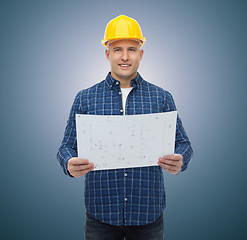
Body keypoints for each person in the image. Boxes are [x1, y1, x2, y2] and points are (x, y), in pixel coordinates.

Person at [57, 15, 193, 240]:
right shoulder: (85, 98)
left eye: (132, 49)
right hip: (100, 215)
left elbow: (184, 143)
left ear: (141, 53)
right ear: (107, 53)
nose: (125, 57)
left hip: (148, 215)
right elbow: (66, 147)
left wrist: (180, 158)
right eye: (117, 49)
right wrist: (69, 163)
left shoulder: (161, 97)